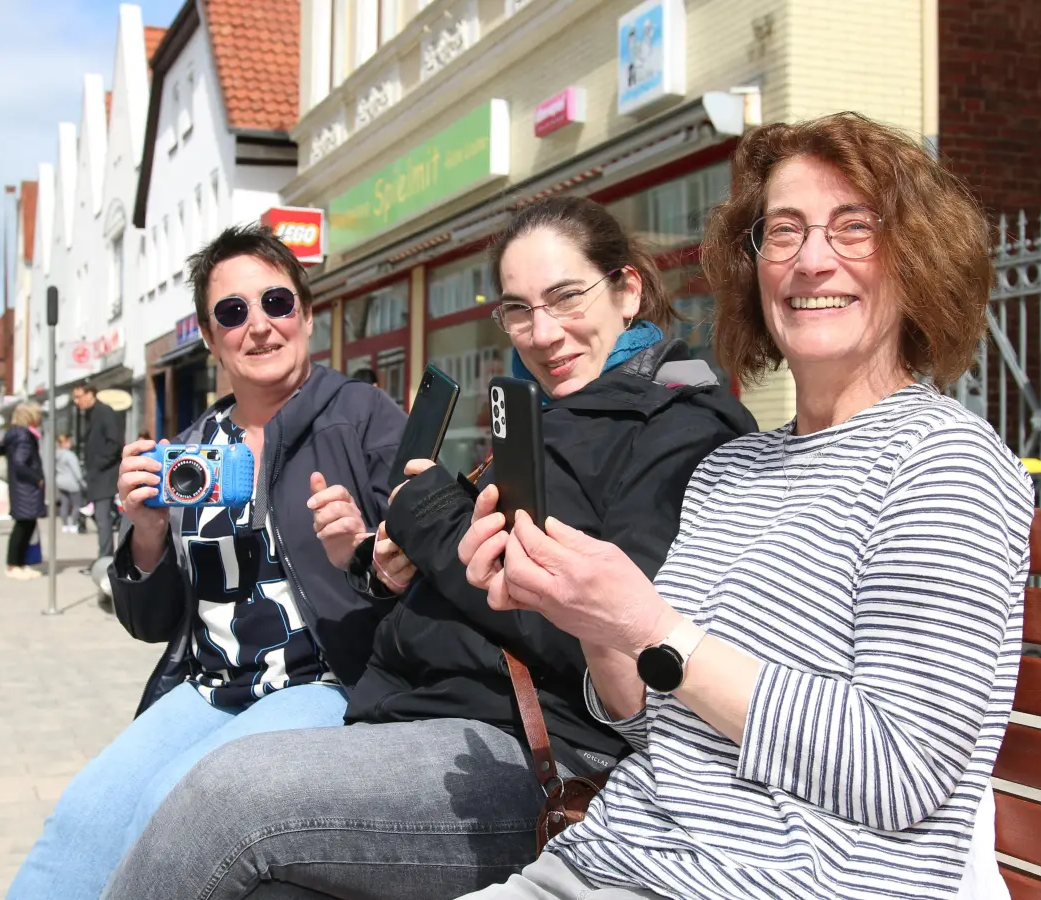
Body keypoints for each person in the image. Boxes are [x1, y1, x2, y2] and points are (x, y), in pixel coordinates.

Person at [101, 196, 758, 900]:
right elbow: (458, 572)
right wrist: (382, 570)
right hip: (414, 715)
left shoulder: (678, 427)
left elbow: (615, 641)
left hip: (520, 751)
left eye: (565, 298)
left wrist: (431, 517)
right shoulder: (539, 415)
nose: (543, 333)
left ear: (626, 290)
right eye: (517, 310)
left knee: (223, 796)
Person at [449, 113, 1032, 900]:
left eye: (853, 227)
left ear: (919, 258)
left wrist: (657, 629)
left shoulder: (942, 461)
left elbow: (902, 772)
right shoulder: (733, 467)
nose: (812, 260)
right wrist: (592, 620)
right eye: (782, 232)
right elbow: (654, 726)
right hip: (609, 861)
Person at [6, 223, 406, 900]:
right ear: (210, 335)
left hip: (326, 682)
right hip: (209, 689)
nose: (259, 326)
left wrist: (368, 542)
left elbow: (423, 544)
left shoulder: (362, 414)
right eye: (233, 312)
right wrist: (146, 534)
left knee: (172, 805)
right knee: (81, 819)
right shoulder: (193, 447)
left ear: (308, 314)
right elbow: (152, 621)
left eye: (277, 303)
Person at [74, 380, 124, 560]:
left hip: (105, 475)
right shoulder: (89, 414)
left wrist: (98, 464)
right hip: (96, 475)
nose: (76, 401)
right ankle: (105, 556)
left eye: (78, 396)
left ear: (90, 394)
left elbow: (115, 443)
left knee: (103, 519)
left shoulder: (105, 413)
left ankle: (105, 559)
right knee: (100, 518)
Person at [2, 402, 47, 580]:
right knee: (22, 527)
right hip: (26, 488)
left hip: (22, 488)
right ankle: (14, 565)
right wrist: (37, 478)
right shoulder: (23, 436)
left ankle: (19, 563)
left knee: (26, 526)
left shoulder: (17, 434)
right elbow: (20, 462)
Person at [55, 433, 86, 533]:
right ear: (65, 443)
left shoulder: (56, 454)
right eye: (69, 441)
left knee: (64, 503)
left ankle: (64, 525)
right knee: (76, 504)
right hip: (72, 483)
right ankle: (73, 524)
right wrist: (82, 482)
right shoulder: (70, 455)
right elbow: (77, 471)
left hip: (60, 481)